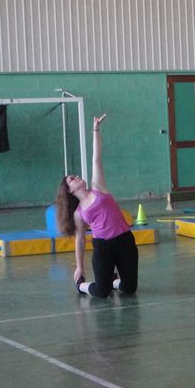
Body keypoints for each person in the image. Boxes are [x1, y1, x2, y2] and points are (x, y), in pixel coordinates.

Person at [56, 114, 139, 297]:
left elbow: (96, 158)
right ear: (70, 190)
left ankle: (113, 281)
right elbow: (80, 240)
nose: (77, 177)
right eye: (73, 179)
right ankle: (82, 287)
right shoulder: (78, 213)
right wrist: (79, 267)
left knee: (129, 289)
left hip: (125, 241)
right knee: (102, 292)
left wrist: (96, 129)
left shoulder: (97, 187)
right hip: (103, 247)